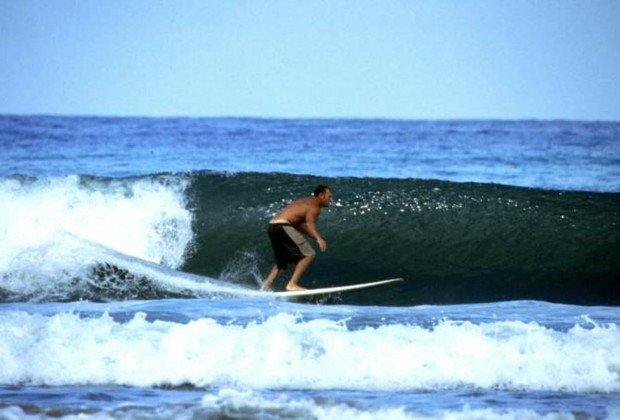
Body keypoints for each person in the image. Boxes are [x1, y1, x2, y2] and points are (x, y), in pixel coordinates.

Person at [260, 185, 333, 291]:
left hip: (273, 226)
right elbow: (309, 222)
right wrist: (318, 238)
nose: (331, 199)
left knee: (282, 262)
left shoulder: (305, 202)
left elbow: (298, 225)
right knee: (309, 254)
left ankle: (264, 287)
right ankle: (292, 284)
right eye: (329, 196)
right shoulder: (315, 207)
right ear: (321, 196)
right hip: (282, 226)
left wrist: (316, 236)